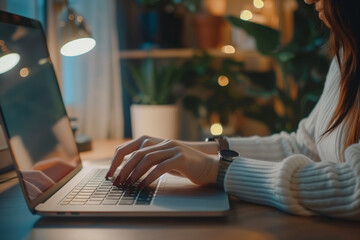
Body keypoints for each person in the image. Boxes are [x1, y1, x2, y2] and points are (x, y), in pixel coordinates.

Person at [107, 0, 360, 220]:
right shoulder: (346, 54)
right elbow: (304, 146)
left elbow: (354, 187)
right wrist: (197, 149)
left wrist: (214, 170)